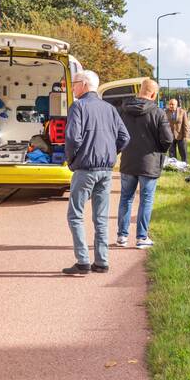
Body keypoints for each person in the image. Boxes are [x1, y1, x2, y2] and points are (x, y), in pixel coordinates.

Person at [63, 70, 130, 276]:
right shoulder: (109, 108)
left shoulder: (79, 106)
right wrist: (111, 152)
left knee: (75, 215)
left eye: (74, 84)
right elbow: (125, 137)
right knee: (100, 217)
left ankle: (82, 261)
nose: (72, 88)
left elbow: (73, 138)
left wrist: (72, 160)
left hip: (85, 169)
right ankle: (101, 261)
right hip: (106, 170)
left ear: (84, 84)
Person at [117, 79, 173, 249]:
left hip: (128, 161)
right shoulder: (158, 112)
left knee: (126, 198)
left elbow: (118, 134)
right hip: (149, 162)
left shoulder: (123, 110)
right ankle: (141, 238)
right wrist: (158, 149)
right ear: (153, 94)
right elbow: (168, 139)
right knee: (146, 199)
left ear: (140, 91)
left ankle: (122, 236)